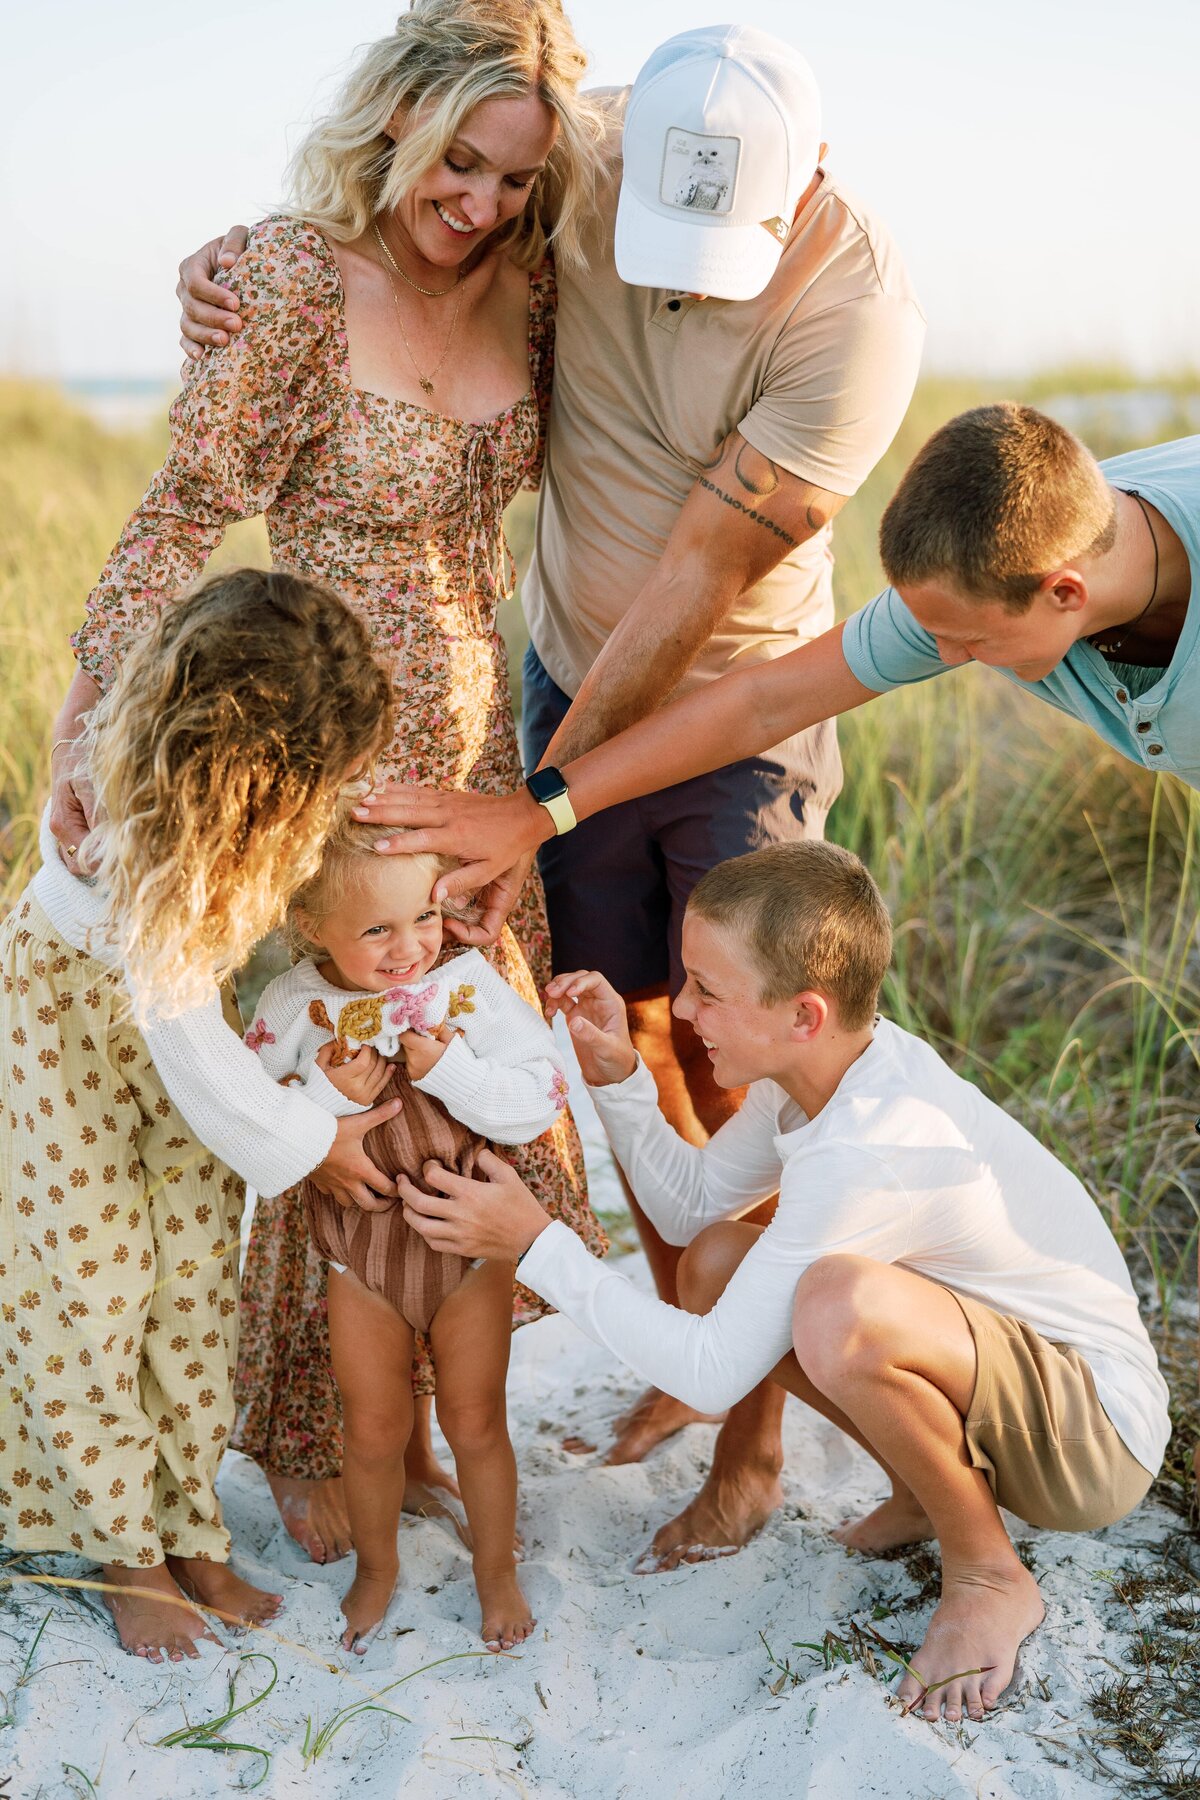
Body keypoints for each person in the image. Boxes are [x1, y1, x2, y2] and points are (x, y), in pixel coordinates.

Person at [180, 21, 925, 1558]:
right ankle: (681, 1345)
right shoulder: (587, 136)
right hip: (561, 690)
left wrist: (547, 795)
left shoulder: (856, 318)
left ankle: (753, 1439)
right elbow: (423, 176)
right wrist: (243, 265)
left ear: (813, 182)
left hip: (737, 709)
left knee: (739, 1065)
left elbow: (707, 570)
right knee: (628, 1041)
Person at [55, 0, 606, 1567]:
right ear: (395, 122)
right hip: (328, 755)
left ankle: (416, 1408)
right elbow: (183, 514)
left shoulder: (538, 284)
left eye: (514, 179)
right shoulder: (294, 280)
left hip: (482, 755)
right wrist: (90, 702)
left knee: (468, 1081)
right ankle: (307, 1431)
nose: (482, 203)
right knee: (336, 1076)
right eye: (461, 164)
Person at [395, 841, 1171, 1724]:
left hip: (1094, 1440)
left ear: (805, 1014)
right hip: (1009, 1391)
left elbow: (711, 1375)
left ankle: (991, 1574)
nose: (682, 1011)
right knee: (719, 1260)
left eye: (707, 992)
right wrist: (620, 1079)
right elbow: (690, 1212)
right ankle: (924, 1491)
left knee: (837, 1306)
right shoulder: (815, 1077)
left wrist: (533, 1243)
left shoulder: (869, 1140)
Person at [1, 567, 403, 1665]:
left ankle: (190, 1530)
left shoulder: (215, 797)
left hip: (178, 1032)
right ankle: (127, 1553)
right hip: (68, 1032)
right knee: (93, 1292)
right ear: (245, 781)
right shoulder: (145, 837)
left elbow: (193, 1026)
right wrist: (315, 1143)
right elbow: (182, 1034)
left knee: (190, 1284)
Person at [248, 818, 589, 1652]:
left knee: (476, 1422)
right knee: (370, 1431)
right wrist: (326, 1099)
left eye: (424, 919)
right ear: (309, 927)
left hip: (466, 1247)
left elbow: (541, 1093)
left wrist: (450, 1071)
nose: (410, 949)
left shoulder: (465, 982)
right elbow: (254, 1130)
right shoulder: (293, 1004)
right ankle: (377, 1569)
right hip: (357, 1259)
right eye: (377, 929)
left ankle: (496, 1574)